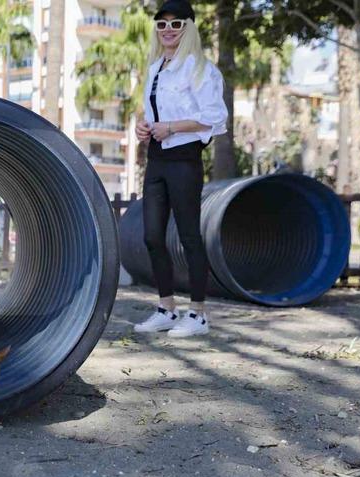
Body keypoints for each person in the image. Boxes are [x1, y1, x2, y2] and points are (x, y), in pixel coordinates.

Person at [133, 0, 228, 337]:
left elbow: (216, 118)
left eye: (176, 24)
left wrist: (171, 127)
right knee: (151, 236)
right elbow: (153, 113)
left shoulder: (200, 68)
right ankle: (166, 308)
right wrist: (143, 128)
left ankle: (199, 314)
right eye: (162, 24)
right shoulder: (155, 67)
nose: (168, 30)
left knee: (189, 235)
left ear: (189, 27)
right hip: (156, 159)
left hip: (185, 158)